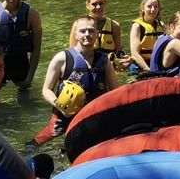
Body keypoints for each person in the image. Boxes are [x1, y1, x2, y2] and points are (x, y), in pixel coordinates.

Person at [35, 16, 119, 144]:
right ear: (75, 33)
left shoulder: (104, 61)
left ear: (97, 33)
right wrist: (58, 104)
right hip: (65, 113)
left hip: (94, 112)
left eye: (91, 31)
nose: (87, 34)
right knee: (47, 136)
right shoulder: (62, 58)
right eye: (83, 31)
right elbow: (46, 89)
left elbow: (115, 91)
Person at [70, 0, 130, 70]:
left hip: (108, 69)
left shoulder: (114, 26)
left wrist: (123, 61)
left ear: (105, 4)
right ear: (87, 5)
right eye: (94, 4)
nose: (98, 7)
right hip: (87, 69)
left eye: (101, 3)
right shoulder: (78, 25)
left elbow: (118, 51)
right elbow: (72, 52)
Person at [129, 0, 165, 72]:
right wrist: (149, 71)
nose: (153, 10)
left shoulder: (161, 26)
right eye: (149, 6)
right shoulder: (137, 26)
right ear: (143, 8)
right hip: (140, 66)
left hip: (157, 64)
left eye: (156, 7)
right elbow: (135, 54)